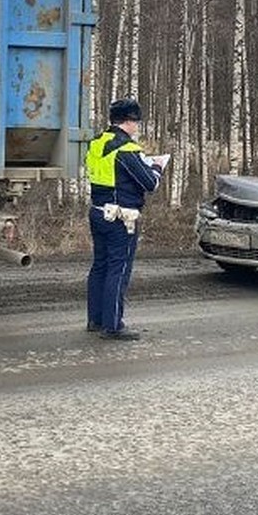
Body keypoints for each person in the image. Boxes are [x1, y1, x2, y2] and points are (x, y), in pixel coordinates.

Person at [85, 98, 165, 340]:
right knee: (118, 270)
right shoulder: (127, 149)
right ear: (129, 121)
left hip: (98, 211)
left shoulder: (97, 143)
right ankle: (113, 325)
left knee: (100, 266)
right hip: (122, 217)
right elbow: (149, 184)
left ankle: (95, 320)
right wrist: (157, 167)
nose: (137, 126)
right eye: (136, 121)